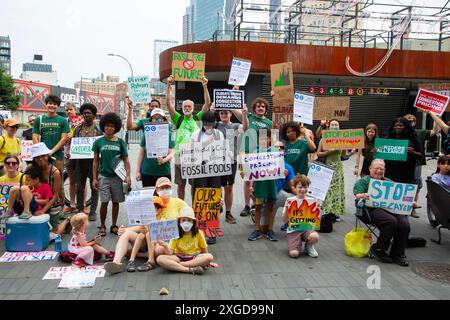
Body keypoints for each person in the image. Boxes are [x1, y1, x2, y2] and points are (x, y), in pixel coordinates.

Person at [103, 178, 188, 275]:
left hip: (166, 242)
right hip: (147, 238)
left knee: (158, 249)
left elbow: (190, 217)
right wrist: (124, 229)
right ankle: (116, 263)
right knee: (126, 234)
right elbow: (142, 226)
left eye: (167, 187)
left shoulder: (179, 202)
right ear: (157, 190)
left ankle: (140, 255)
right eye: (162, 188)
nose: (165, 190)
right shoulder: (151, 203)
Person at [353, 159, 411, 266]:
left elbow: (401, 197)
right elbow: (357, 195)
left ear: (385, 170)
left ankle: (397, 253)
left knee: (404, 224)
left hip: (390, 209)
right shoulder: (363, 181)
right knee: (391, 221)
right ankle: (378, 248)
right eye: (376, 168)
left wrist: (410, 202)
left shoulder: (389, 182)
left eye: (381, 169)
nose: (379, 171)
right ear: (370, 169)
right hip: (369, 209)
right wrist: (362, 195)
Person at [166, 75, 211, 201]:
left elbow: (207, 104)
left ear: (192, 108)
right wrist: (169, 85)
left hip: (195, 156)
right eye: (185, 106)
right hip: (180, 155)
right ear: (182, 108)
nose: (187, 108)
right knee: (181, 185)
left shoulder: (198, 118)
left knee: (194, 185)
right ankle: (182, 208)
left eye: (189, 107)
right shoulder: (178, 118)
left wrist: (204, 85)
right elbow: (168, 104)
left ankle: (193, 208)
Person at [189, 111, 226, 245]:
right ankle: (200, 229)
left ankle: (212, 230)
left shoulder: (219, 134)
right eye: (206, 125)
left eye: (210, 125)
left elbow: (222, 150)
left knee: (213, 198)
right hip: (199, 170)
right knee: (200, 198)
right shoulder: (195, 134)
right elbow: (190, 151)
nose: (208, 127)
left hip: (214, 170)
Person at [210, 102, 249, 224]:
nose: (223, 115)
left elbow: (246, 128)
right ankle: (217, 207)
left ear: (231, 114)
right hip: (215, 160)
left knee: (229, 188)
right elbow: (206, 126)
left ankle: (228, 213)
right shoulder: (215, 125)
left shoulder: (235, 126)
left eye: (226, 113)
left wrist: (244, 114)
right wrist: (211, 111)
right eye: (221, 113)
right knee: (215, 187)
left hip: (231, 161)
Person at [92, 113, 131, 237]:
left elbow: (126, 160)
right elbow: (95, 161)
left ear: (116, 128)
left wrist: (128, 176)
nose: (109, 128)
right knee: (103, 202)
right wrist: (94, 178)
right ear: (103, 126)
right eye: (107, 126)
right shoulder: (98, 142)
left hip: (117, 178)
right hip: (103, 177)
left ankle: (114, 225)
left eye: (112, 126)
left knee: (116, 202)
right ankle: (102, 225)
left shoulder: (120, 142)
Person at [32, 95, 70, 210]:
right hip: (41, 158)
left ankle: (62, 208)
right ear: (46, 104)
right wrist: (42, 153)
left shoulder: (63, 120)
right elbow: (35, 136)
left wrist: (50, 152)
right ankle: (45, 207)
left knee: (59, 184)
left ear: (57, 106)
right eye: (50, 103)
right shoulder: (40, 120)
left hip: (57, 156)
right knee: (43, 183)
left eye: (54, 104)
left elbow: (64, 139)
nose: (52, 105)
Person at [156, 207, 214, 275]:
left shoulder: (199, 233)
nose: (186, 222)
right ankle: (189, 269)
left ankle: (177, 266)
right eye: (183, 220)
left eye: (189, 220)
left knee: (209, 257)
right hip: (178, 257)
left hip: (194, 257)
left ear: (193, 222)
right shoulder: (175, 233)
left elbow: (204, 250)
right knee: (159, 259)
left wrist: (208, 262)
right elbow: (170, 253)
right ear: (179, 221)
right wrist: (165, 245)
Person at [384, 117, 423, 218]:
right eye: (396, 125)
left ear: (406, 127)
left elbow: (421, 155)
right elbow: (382, 153)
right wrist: (377, 150)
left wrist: (413, 152)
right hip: (389, 173)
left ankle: (402, 217)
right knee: (390, 196)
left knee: (402, 199)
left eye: (400, 125)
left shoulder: (413, 139)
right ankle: (389, 216)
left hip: (405, 174)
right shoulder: (388, 138)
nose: (398, 127)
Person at [240, 98, 273, 217]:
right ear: (254, 109)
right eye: (258, 106)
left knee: (258, 180)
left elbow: (272, 140)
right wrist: (234, 92)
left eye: (263, 106)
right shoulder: (249, 117)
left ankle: (256, 204)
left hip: (261, 154)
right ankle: (247, 205)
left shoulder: (269, 122)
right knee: (247, 180)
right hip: (248, 152)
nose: (260, 108)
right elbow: (236, 112)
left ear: (266, 109)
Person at [404, 114, 440, 215]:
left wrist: (435, 116)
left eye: (411, 121)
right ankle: (401, 206)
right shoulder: (397, 132)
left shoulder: (420, 132)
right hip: (401, 165)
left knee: (415, 186)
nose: (409, 123)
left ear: (414, 123)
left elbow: (435, 131)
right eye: (407, 121)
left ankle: (412, 207)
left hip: (416, 164)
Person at [247, 129, 278, 241]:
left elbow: (279, 168)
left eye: (266, 138)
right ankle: (257, 230)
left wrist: (283, 171)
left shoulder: (275, 151)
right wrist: (251, 186)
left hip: (271, 185)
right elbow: (251, 171)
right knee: (258, 207)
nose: (264, 140)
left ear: (270, 139)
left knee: (270, 208)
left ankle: (270, 230)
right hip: (259, 185)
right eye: (261, 138)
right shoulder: (255, 152)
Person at [73, 103, 102, 221]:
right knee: (79, 186)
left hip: (94, 163)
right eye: (84, 113)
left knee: (94, 186)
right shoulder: (78, 128)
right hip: (80, 162)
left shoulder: (98, 129)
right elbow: (74, 144)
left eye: (89, 113)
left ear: (93, 115)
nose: (86, 115)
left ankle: (93, 211)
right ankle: (80, 209)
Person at [281, 174, 320, 258]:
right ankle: (295, 245)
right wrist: (288, 208)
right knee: (294, 254)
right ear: (295, 188)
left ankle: (308, 246)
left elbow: (316, 220)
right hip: (294, 230)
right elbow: (284, 220)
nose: (303, 189)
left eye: (305, 187)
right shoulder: (290, 201)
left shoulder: (312, 201)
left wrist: (319, 209)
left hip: (307, 229)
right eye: (300, 187)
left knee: (315, 236)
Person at [124, 196, 166, 272]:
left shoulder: (162, 220)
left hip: (156, 244)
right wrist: (124, 230)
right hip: (146, 244)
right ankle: (131, 260)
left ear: (159, 210)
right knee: (141, 234)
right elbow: (138, 228)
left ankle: (150, 260)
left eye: (152, 209)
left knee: (149, 234)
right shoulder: (147, 220)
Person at [316, 119, 347, 222]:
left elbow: (344, 155)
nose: (335, 127)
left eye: (336, 125)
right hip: (327, 167)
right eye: (333, 125)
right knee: (327, 190)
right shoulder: (324, 139)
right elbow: (318, 153)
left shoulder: (342, 140)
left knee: (337, 191)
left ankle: (334, 212)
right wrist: (329, 152)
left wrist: (352, 152)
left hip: (338, 168)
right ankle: (325, 211)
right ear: (329, 127)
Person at [27, 143, 62, 231]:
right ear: (34, 159)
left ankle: (67, 222)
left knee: (53, 234)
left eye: (43, 156)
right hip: (34, 202)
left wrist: (43, 210)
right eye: (37, 157)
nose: (41, 159)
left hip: (51, 204)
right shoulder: (29, 168)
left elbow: (55, 195)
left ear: (48, 156)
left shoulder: (55, 172)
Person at [136, 108, 174, 187]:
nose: (156, 120)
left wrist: (163, 160)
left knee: (163, 198)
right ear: (151, 120)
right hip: (147, 172)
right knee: (149, 198)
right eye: (154, 118)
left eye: (159, 118)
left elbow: (171, 153)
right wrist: (137, 171)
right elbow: (141, 154)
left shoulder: (170, 134)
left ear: (163, 119)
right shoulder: (146, 133)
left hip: (164, 172)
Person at [62, 102, 82, 215]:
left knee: (82, 181)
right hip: (68, 154)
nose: (69, 111)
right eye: (66, 110)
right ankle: (72, 205)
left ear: (75, 109)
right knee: (72, 181)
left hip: (80, 154)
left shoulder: (81, 121)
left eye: (70, 109)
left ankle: (83, 205)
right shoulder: (64, 122)